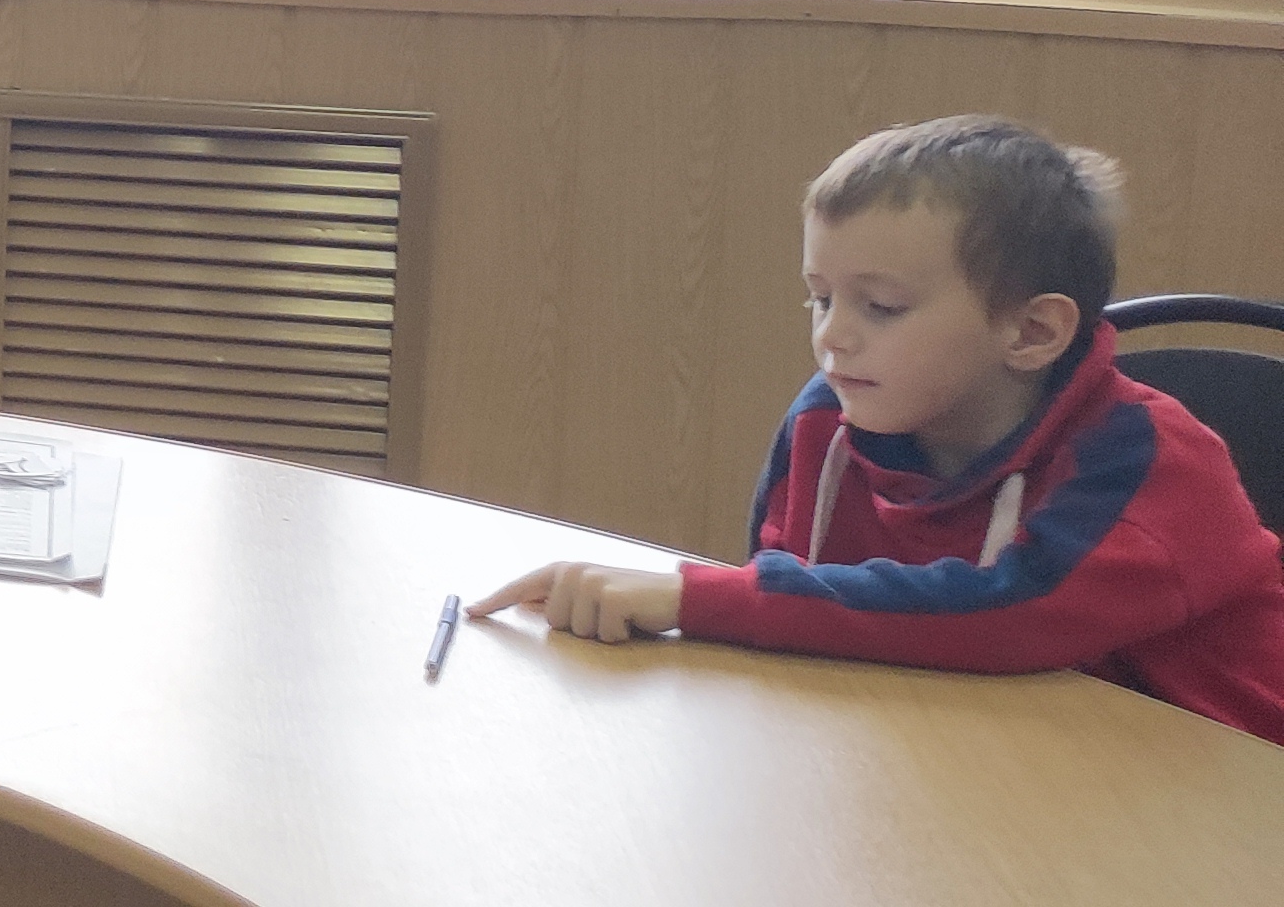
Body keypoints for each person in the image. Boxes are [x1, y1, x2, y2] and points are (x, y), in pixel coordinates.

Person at [474, 117, 1284, 744]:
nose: (832, 336)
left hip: (1226, 791)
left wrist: (692, 597)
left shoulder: (1151, 462)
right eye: (820, 298)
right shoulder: (828, 418)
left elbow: (1010, 616)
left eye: (882, 306)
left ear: (1032, 332)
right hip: (1007, 758)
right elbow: (788, 596)